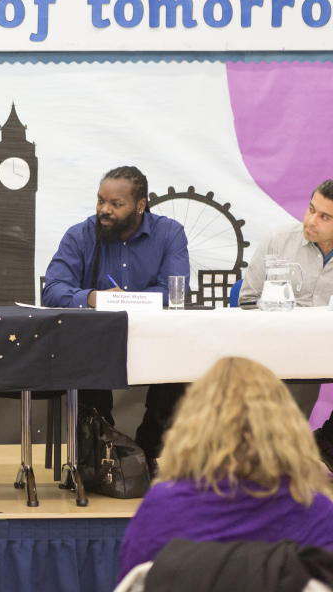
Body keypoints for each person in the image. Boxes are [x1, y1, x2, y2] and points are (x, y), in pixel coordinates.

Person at [117, 357, 333, 581]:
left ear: (192, 424)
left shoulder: (161, 508)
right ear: (286, 424)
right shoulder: (315, 511)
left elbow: (133, 582)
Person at [41, 166, 189, 474]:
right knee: (83, 363)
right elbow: (52, 290)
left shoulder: (169, 233)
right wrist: (94, 297)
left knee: (183, 370)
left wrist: (130, 300)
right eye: (100, 201)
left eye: (115, 204)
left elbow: (176, 291)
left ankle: (148, 452)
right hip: (95, 343)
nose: (104, 210)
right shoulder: (80, 235)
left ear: (140, 205)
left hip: (154, 340)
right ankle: (100, 452)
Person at [239, 179, 333, 469]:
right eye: (310, 209)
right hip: (279, 347)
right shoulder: (279, 240)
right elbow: (246, 300)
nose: (311, 221)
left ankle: (324, 446)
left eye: (324, 217)